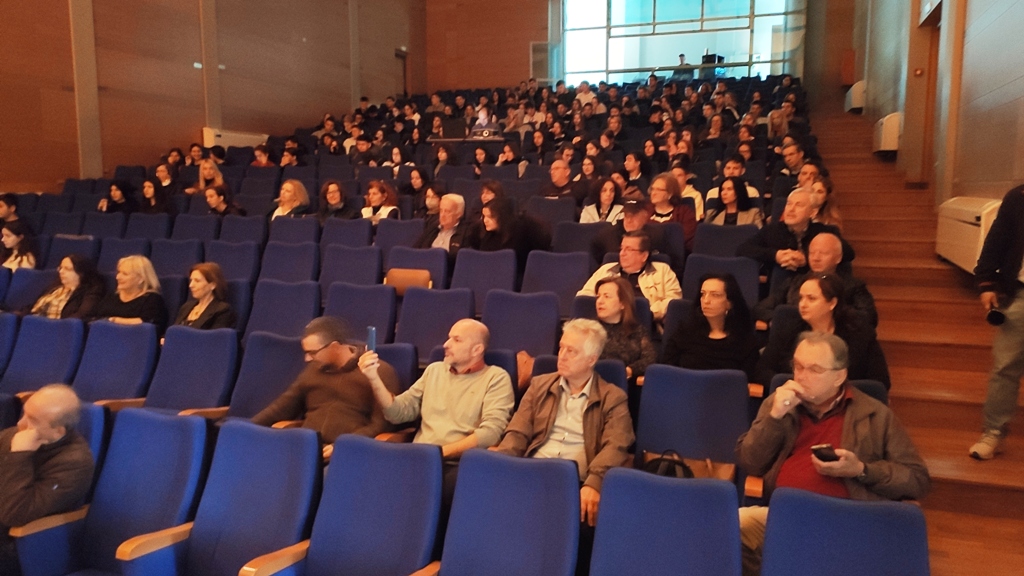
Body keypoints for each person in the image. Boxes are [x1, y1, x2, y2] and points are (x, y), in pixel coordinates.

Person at [736, 333, 930, 576]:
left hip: (847, 521)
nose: (801, 376)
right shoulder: (780, 404)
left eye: (814, 369)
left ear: (839, 376)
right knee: (725, 526)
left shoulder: (874, 414)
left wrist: (861, 470)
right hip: (786, 516)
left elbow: (917, 480)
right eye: (798, 366)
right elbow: (750, 462)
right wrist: (774, 417)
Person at [493, 318, 634, 575]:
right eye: (561, 348)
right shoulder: (539, 385)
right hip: (532, 473)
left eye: (572, 351)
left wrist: (594, 482)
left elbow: (616, 445)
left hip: (576, 482)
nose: (563, 356)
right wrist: (503, 468)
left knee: (583, 524)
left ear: (591, 359)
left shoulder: (612, 397)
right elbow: (517, 432)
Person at [360, 319, 515, 530]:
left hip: (457, 463)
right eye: (449, 338)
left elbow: (490, 433)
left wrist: (440, 453)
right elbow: (397, 413)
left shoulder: (496, 378)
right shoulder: (434, 370)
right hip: (419, 458)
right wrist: (373, 378)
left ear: (477, 349)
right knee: (372, 478)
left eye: (456, 340)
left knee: (430, 492)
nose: (446, 344)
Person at [252, 317, 401, 459]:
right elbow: (282, 407)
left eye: (312, 352)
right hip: (305, 448)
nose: (307, 359)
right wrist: (248, 428)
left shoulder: (379, 372)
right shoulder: (313, 370)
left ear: (334, 347)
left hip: (349, 453)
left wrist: (343, 445)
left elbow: (380, 425)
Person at [0, 384, 94, 576]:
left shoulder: (74, 464)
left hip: (21, 545)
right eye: (24, 413)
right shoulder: (17, 434)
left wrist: (20, 455)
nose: (20, 423)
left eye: (33, 420)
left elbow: (15, 515)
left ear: (58, 432)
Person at [755, 273, 890, 388]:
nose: (802, 304)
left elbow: (880, 380)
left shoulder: (859, 332)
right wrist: (795, 386)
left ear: (832, 303)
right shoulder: (788, 329)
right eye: (801, 298)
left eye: (811, 299)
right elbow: (762, 370)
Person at [971, 184, 1024, 459]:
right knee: (1004, 367)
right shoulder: (1018, 197)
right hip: (1021, 295)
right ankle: (993, 432)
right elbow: (997, 240)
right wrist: (987, 282)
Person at [753, 232, 877, 327]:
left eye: (823, 253)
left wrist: (825, 317)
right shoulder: (794, 281)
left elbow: (869, 318)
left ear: (838, 258)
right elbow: (760, 308)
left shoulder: (854, 286)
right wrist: (780, 319)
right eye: (812, 253)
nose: (816, 258)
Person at [660, 273, 760, 379]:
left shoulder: (745, 341)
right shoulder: (684, 332)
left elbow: (746, 381)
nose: (706, 300)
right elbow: (666, 371)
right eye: (703, 294)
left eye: (715, 295)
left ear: (729, 303)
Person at [737, 188, 853, 275]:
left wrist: (806, 258)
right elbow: (742, 249)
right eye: (789, 204)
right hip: (781, 287)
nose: (791, 209)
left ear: (813, 212)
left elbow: (848, 253)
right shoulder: (771, 230)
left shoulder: (825, 232)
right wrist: (776, 255)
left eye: (799, 205)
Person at [578, 231, 682, 323]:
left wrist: (648, 312)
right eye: (621, 249)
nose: (622, 253)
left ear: (644, 256)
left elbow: (673, 299)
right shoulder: (606, 270)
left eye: (629, 249)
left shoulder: (662, 270)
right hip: (607, 322)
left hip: (646, 323)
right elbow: (584, 295)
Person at [474, 197, 551, 279]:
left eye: (490, 217)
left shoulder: (522, 231)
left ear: (502, 216)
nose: (485, 220)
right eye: (484, 216)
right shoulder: (487, 235)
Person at [593, 277, 656, 378]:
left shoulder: (637, 330)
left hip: (626, 383)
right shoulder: (588, 330)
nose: (599, 301)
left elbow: (650, 359)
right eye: (598, 296)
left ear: (622, 303)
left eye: (607, 296)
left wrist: (629, 370)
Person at [91, 255, 168, 334]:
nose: (118, 277)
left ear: (141, 279)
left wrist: (114, 320)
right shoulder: (112, 297)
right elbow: (94, 318)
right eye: (119, 272)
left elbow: (148, 323)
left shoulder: (152, 300)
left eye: (125, 274)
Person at [27, 255, 105, 319]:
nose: (61, 272)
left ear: (80, 273)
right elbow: (33, 306)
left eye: (67, 269)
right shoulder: (54, 287)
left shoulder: (90, 291)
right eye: (60, 268)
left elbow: (83, 314)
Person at [413, 194, 471, 269]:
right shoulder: (433, 227)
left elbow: (463, 261)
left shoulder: (466, 232)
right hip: (424, 269)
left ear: (459, 214)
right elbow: (415, 250)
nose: (442, 215)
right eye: (441, 210)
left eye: (447, 211)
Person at [173, 263, 237, 330]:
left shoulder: (222, 310)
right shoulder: (186, 307)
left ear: (213, 285)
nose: (191, 285)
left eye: (197, 281)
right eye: (191, 280)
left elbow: (215, 335)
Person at [648, 173, 698, 239]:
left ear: (670, 193)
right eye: (652, 189)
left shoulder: (685, 213)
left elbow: (685, 237)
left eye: (659, 190)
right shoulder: (644, 211)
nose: (653, 193)